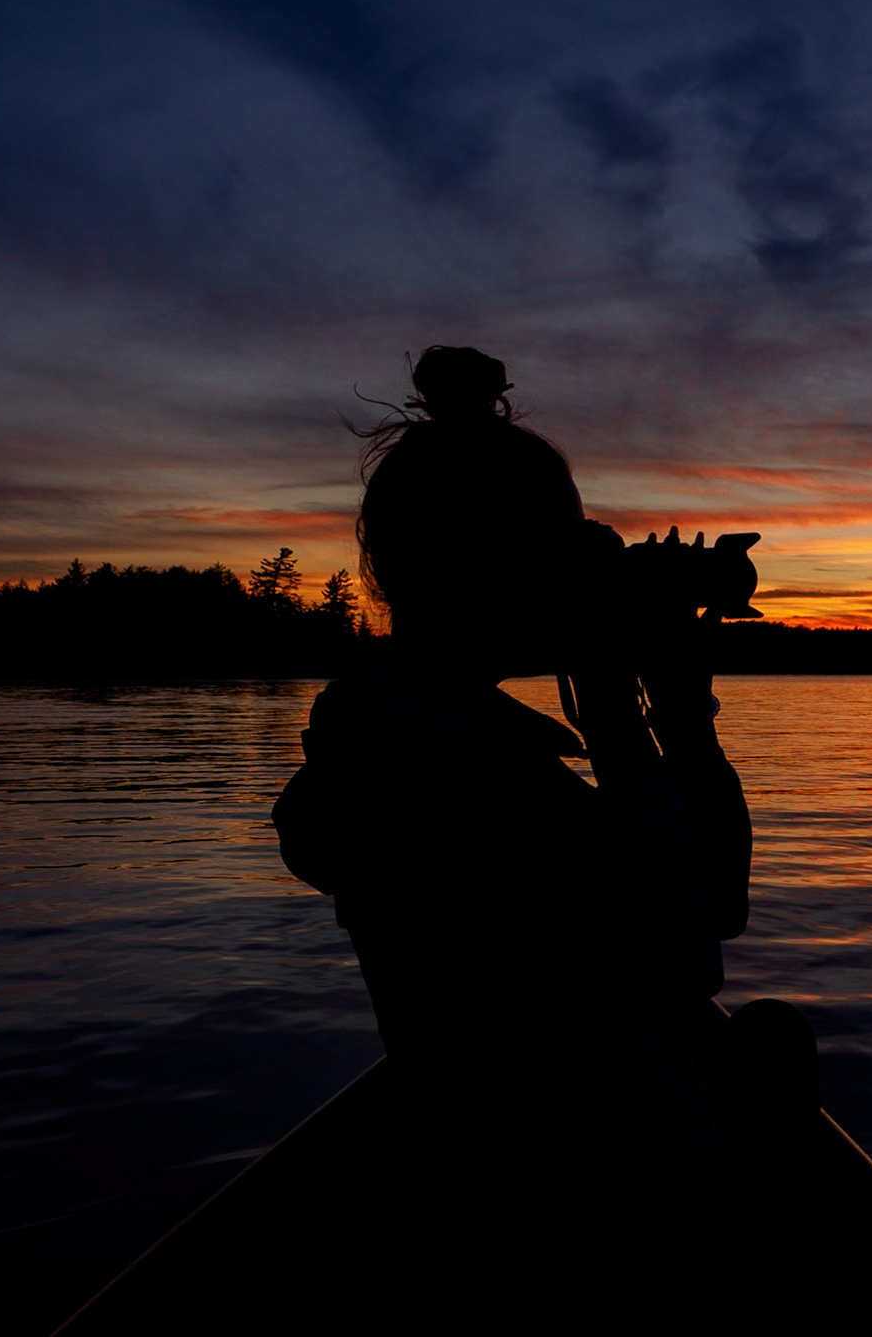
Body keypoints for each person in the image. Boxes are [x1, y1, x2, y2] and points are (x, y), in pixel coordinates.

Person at [269, 345, 755, 1319]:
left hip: (519, 1170)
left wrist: (648, 684)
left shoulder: (397, 729)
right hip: (591, 1220)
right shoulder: (429, 747)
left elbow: (707, 907)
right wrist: (636, 700)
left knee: (769, 1047)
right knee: (763, 1054)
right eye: (565, 553)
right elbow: (690, 946)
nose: (579, 582)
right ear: (509, 568)